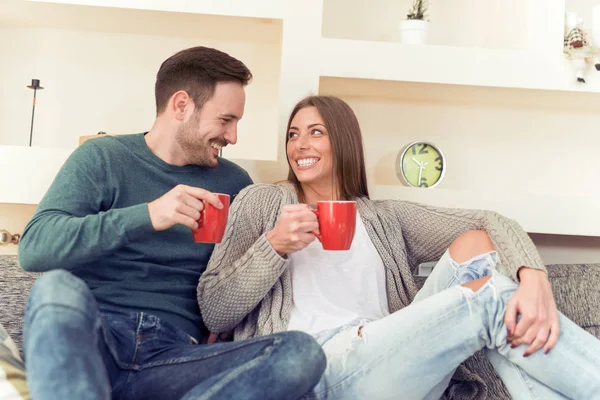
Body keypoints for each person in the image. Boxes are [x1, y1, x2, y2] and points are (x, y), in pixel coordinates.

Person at [197, 95, 600, 400]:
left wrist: (533, 278)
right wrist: (275, 246)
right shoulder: (262, 202)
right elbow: (215, 310)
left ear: (344, 141)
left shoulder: (385, 218)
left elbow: (492, 221)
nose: (300, 144)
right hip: (317, 366)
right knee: (492, 299)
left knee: (477, 247)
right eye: (293, 134)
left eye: (315, 132)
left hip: (388, 362)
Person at [18, 47, 326, 400]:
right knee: (54, 288)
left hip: (177, 356)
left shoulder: (235, 184)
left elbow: (238, 279)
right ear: (181, 105)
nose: (233, 136)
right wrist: (148, 215)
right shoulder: (103, 157)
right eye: (226, 120)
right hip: (95, 340)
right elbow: (34, 248)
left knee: (300, 353)